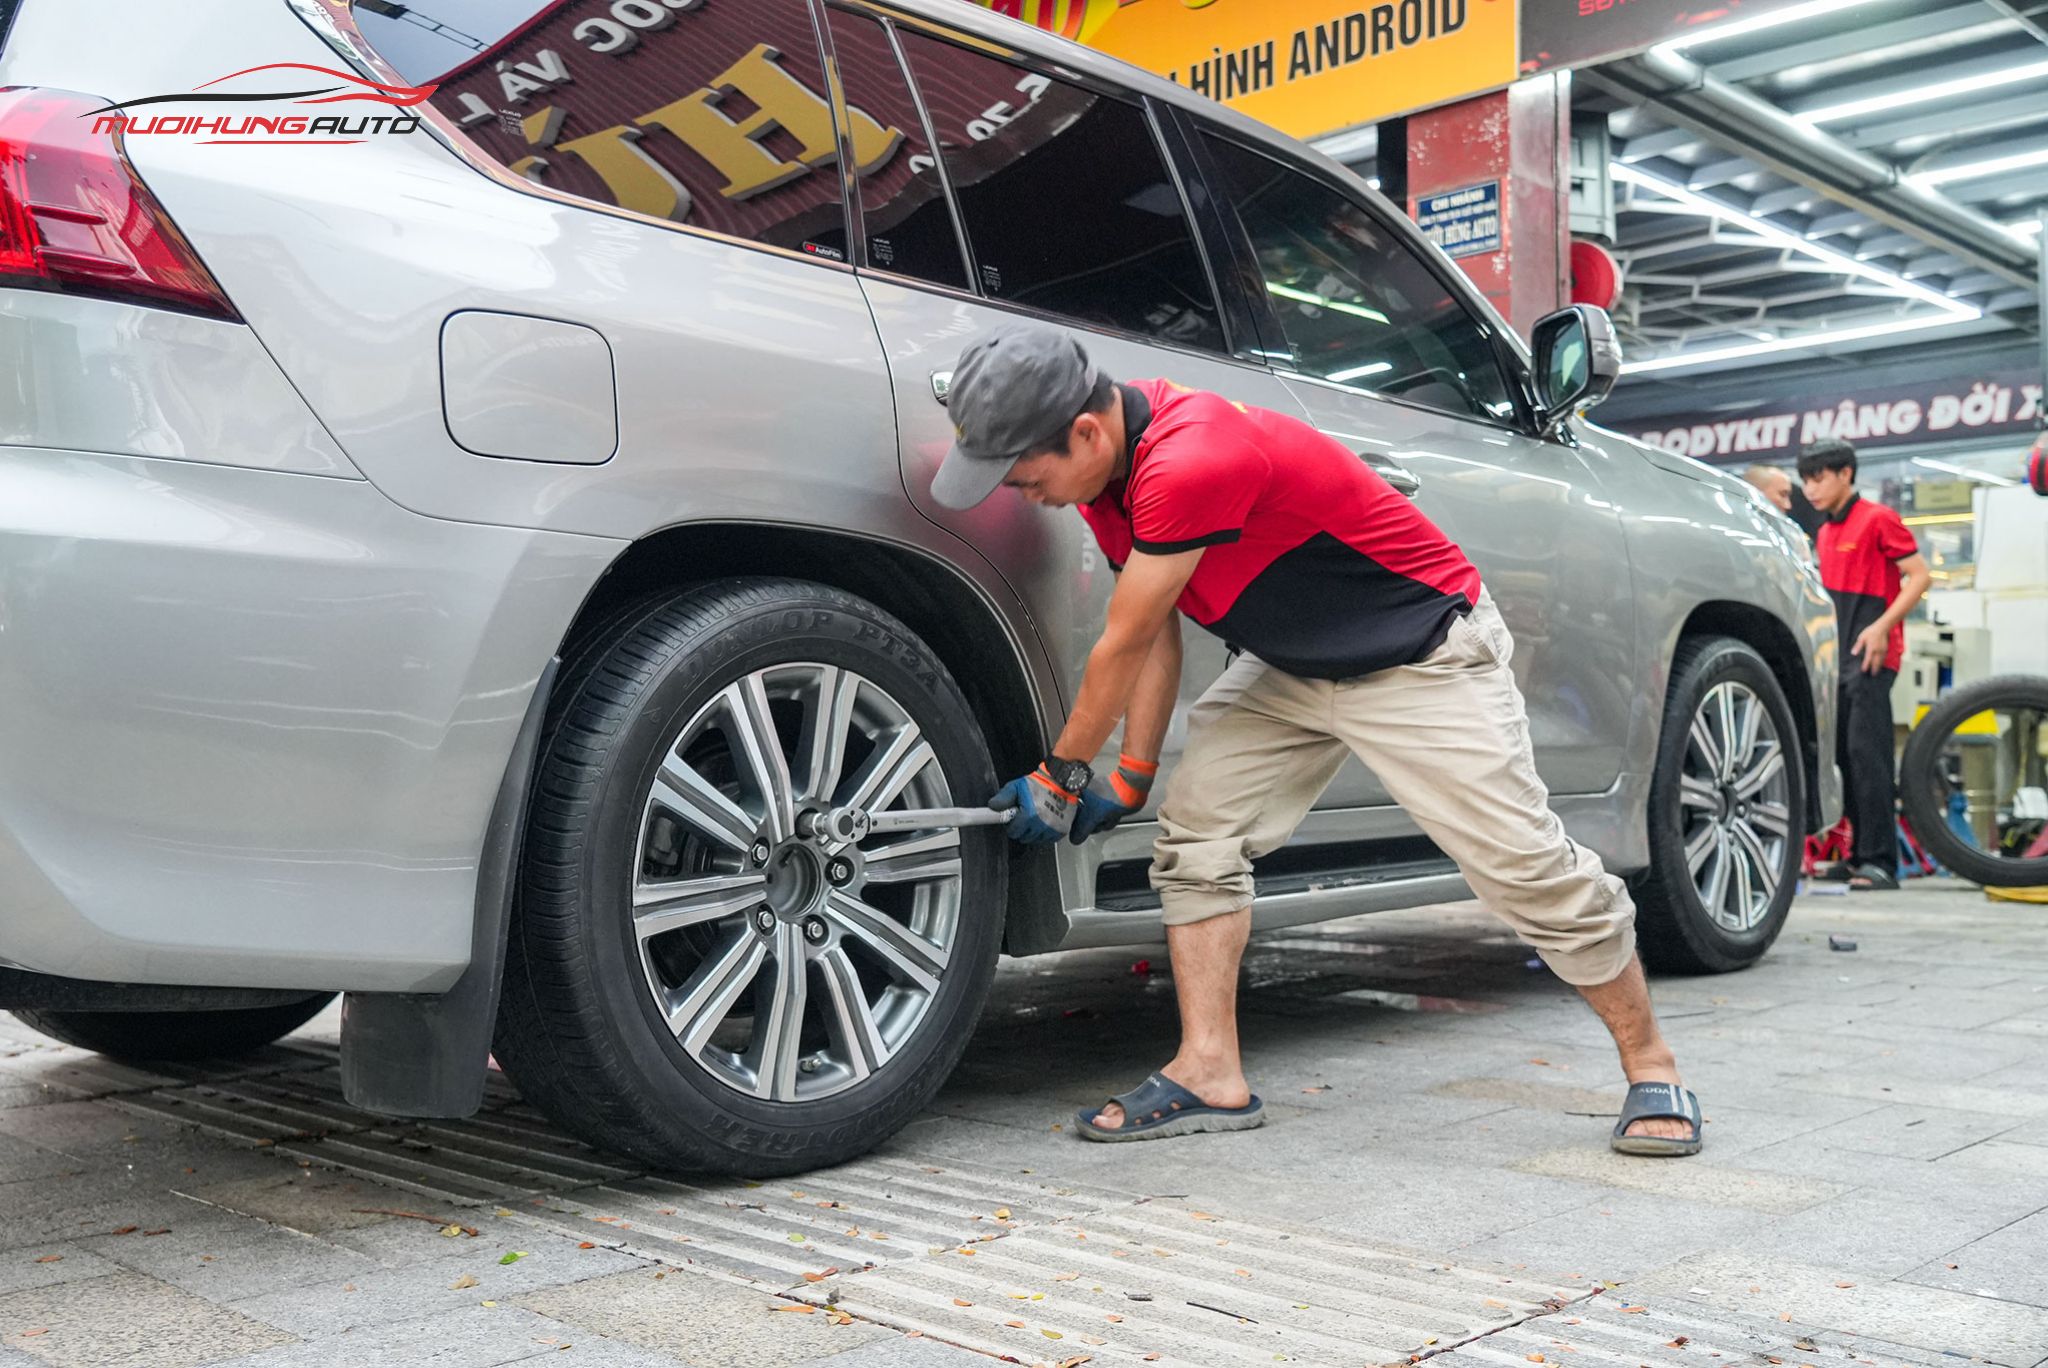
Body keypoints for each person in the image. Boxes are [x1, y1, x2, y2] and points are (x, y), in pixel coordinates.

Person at [932, 322, 1702, 1156]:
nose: (1021, 492)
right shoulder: (1108, 474)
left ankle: (1651, 1063)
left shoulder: (1192, 454)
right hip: (1294, 669)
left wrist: (1060, 774)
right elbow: (1152, 631)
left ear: (1084, 431)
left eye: (1024, 473)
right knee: (1197, 841)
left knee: (1522, 865)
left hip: (1422, 657)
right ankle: (1209, 1072)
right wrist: (1131, 773)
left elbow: (1118, 645)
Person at [1797, 439, 1933, 891]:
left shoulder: (1879, 519)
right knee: (1842, 759)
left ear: (1846, 475)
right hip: (1837, 659)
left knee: (1867, 757)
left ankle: (1881, 863)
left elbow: (1920, 575)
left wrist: (1882, 627)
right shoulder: (1825, 531)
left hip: (1874, 655)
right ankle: (1857, 856)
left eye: (1819, 478)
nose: (1810, 489)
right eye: (1805, 480)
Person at [1742, 463, 1827, 540]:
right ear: (1756, 492)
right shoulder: (1733, 535)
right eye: (1782, 495)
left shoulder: (1789, 540)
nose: (1788, 506)